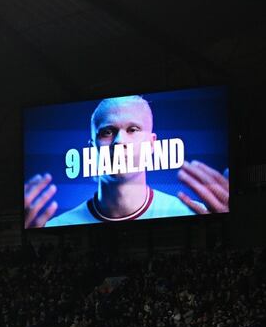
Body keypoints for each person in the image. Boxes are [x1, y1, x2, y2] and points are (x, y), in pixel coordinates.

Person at [25, 95, 229, 228]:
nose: (120, 141)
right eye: (107, 132)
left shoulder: (194, 212)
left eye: (133, 129)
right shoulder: (57, 224)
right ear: (91, 146)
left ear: (151, 144)